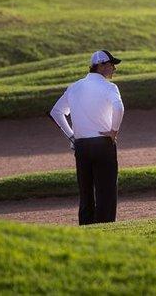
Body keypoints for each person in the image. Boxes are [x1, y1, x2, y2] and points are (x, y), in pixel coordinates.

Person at [49, 50, 124, 225]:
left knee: (86, 193)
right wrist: (114, 131)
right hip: (103, 144)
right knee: (106, 192)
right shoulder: (110, 87)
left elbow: (56, 112)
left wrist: (71, 136)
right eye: (111, 65)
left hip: (81, 145)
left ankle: (86, 229)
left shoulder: (75, 87)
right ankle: (105, 230)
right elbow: (119, 108)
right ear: (101, 66)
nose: (114, 68)